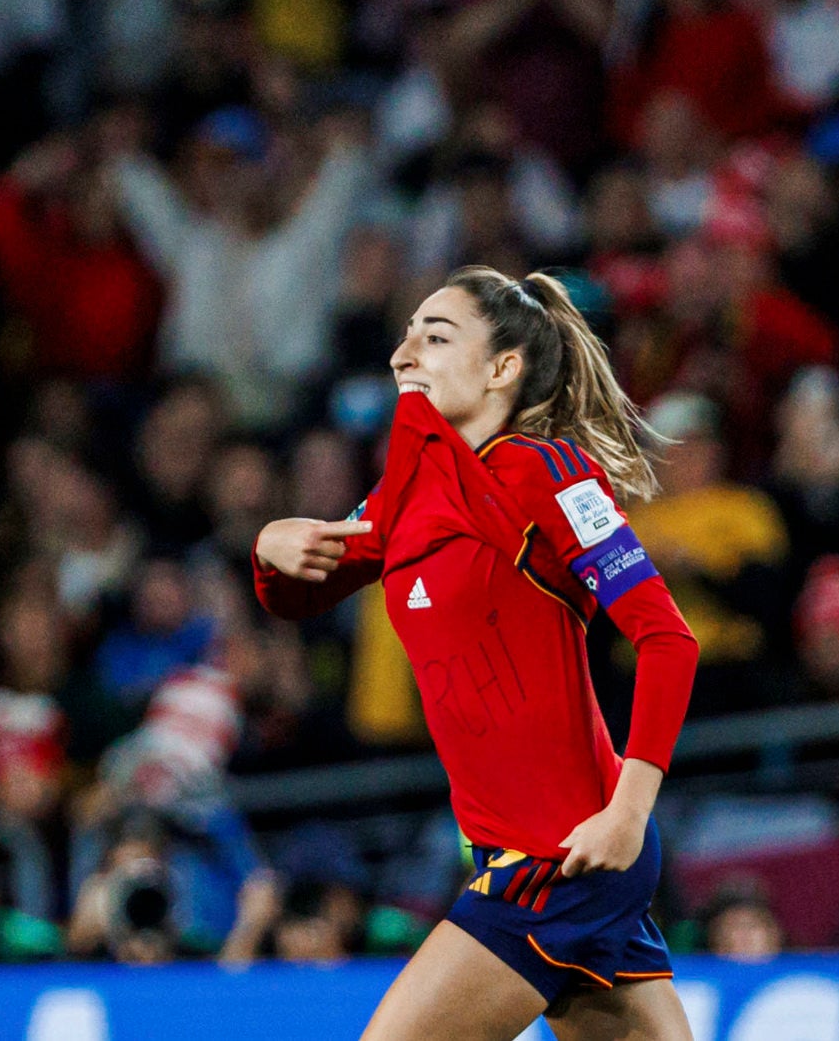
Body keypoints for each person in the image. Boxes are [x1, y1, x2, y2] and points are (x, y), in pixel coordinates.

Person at [253, 266, 699, 1040]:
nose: (403, 354)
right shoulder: (404, 495)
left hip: (559, 858)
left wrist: (629, 810)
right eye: (404, 336)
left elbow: (668, 638)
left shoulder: (549, 473)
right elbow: (297, 595)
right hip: (535, 859)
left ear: (503, 368)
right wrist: (269, 547)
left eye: (435, 335)